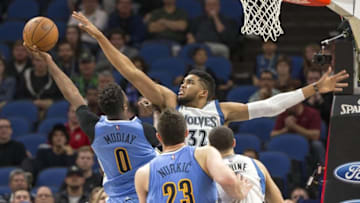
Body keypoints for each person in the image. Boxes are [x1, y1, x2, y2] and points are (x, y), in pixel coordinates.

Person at [71, 11, 349, 147]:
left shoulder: (222, 110)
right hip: (171, 177)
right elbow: (130, 72)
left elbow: (271, 106)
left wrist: (315, 87)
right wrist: (99, 37)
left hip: (206, 179)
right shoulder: (168, 102)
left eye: (190, 82)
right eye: (183, 81)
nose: (182, 84)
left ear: (205, 91)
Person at [24, 43, 159, 202]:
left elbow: (73, 93)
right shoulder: (144, 130)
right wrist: (156, 110)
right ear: (124, 105)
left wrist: (50, 62)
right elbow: (169, 142)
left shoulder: (95, 128)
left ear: (102, 107)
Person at [135, 108, 252, 202]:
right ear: (186, 133)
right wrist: (240, 193)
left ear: (159, 138)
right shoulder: (205, 153)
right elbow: (227, 179)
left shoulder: (144, 172)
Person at [208, 126, 284, 203]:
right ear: (234, 143)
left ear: (210, 147)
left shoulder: (209, 172)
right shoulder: (256, 164)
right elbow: (277, 200)